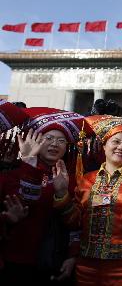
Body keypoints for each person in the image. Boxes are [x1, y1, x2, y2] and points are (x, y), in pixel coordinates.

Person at [53, 115, 122, 285]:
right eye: (116, 142)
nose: (121, 147)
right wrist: (61, 193)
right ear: (104, 146)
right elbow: (75, 223)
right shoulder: (86, 179)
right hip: (87, 266)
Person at [0, 107, 91, 285]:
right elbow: (23, 204)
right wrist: (30, 164)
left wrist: (72, 256)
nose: (54, 144)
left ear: (67, 147)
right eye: (48, 138)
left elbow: (76, 225)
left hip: (53, 260)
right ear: (34, 141)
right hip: (15, 258)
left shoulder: (74, 180)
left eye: (61, 140)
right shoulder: (10, 175)